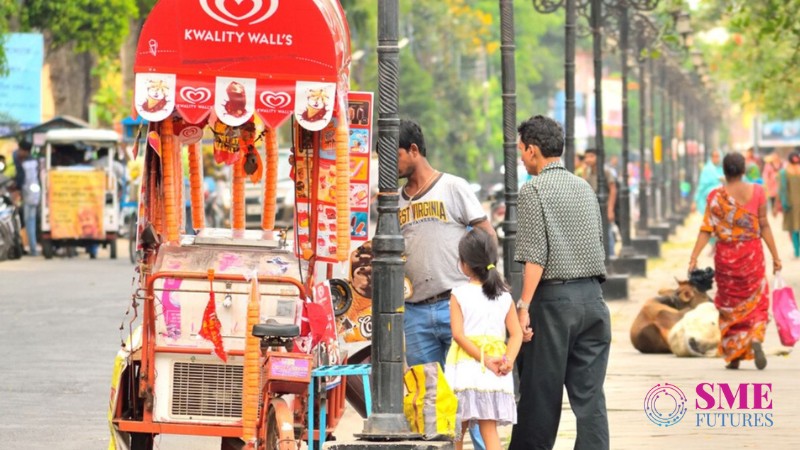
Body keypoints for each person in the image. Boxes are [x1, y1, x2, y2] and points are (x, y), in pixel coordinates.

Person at [510, 116, 611, 450]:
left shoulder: (533, 190)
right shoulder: (585, 187)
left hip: (554, 305)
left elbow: (535, 258)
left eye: (521, 150)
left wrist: (523, 307)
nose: (521, 157)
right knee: (590, 397)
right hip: (593, 301)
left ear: (533, 150)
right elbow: (598, 242)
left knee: (540, 395)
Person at [398, 119, 495, 450]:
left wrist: (485, 283)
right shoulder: (392, 203)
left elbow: (485, 233)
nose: (388, 165)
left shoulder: (453, 187)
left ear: (414, 150)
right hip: (415, 312)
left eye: (392, 155)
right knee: (430, 401)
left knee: (473, 392)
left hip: (457, 304)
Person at [688, 152, 781, 370]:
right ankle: (755, 337)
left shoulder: (714, 197)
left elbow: (706, 230)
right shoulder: (758, 192)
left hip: (726, 259)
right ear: (743, 170)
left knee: (730, 305)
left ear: (724, 171)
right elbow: (765, 225)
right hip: (752, 255)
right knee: (757, 300)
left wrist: (694, 257)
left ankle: (734, 355)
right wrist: (776, 256)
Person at [445, 228, 522, 450]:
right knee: (490, 431)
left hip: (466, 368)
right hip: (494, 371)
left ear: (464, 263)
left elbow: (458, 335)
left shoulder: (458, 294)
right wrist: (507, 360)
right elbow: (516, 334)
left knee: (456, 430)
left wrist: (484, 359)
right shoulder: (504, 295)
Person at [582, 148, 617, 257]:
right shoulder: (588, 173)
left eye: (591, 156)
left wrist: (610, 209)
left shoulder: (606, 172)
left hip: (604, 207)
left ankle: (611, 256)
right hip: (593, 208)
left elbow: (613, 189)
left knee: (607, 232)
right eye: (586, 157)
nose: (588, 159)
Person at [16, 141, 41, 257]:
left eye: (20, 150)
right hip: (36, 195)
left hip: (27, 195)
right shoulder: (36, 161)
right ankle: (33, 247)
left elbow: (20, 180)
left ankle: (33, 248)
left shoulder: (22, 163)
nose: (18, 152)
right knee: (32, 221)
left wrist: (16, 189)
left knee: (29, 221)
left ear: (25, 151)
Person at [779, 150, 800, 258]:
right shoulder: (786, 172)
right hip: (793, 204)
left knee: (796, 229)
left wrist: (784, 203)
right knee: (795, 228)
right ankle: (797, 250)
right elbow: (783, 189)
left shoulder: (786, 171)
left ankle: (797, 251)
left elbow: (782, 189)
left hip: (794, 204)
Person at [693, 149, 724, 216]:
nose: (715, 158)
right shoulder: (707, 170)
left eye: (717, 156)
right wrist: (695, 201)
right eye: (713, 156)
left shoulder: (723, 170)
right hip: (707, 200)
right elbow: (701, 186)